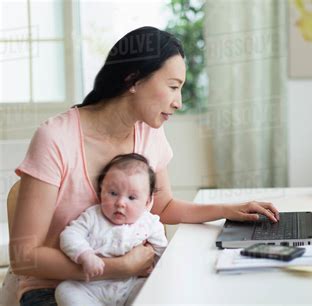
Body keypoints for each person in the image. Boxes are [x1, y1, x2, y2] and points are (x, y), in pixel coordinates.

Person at [2, 26, 279, 306]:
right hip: (57, 289)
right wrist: (119, 267)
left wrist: (227, 211)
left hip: (126, 284)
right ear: (133, 80)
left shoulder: (149, 131)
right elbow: (24, 257)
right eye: (173, 87)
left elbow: (163, 205)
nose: (178, 102)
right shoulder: (56, 138)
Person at [54, 153, 167, 306]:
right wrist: (85, 255)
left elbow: (163, 252)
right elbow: (69, 235)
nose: (120, 203)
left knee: (155, 289)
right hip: (90, 288)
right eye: (113, 193)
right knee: (64, 290)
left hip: (129, 287)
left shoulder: (149, 223)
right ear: (101, 192)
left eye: (132, 198)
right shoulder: (92, 216)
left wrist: (159, 270)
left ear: (147, 200)